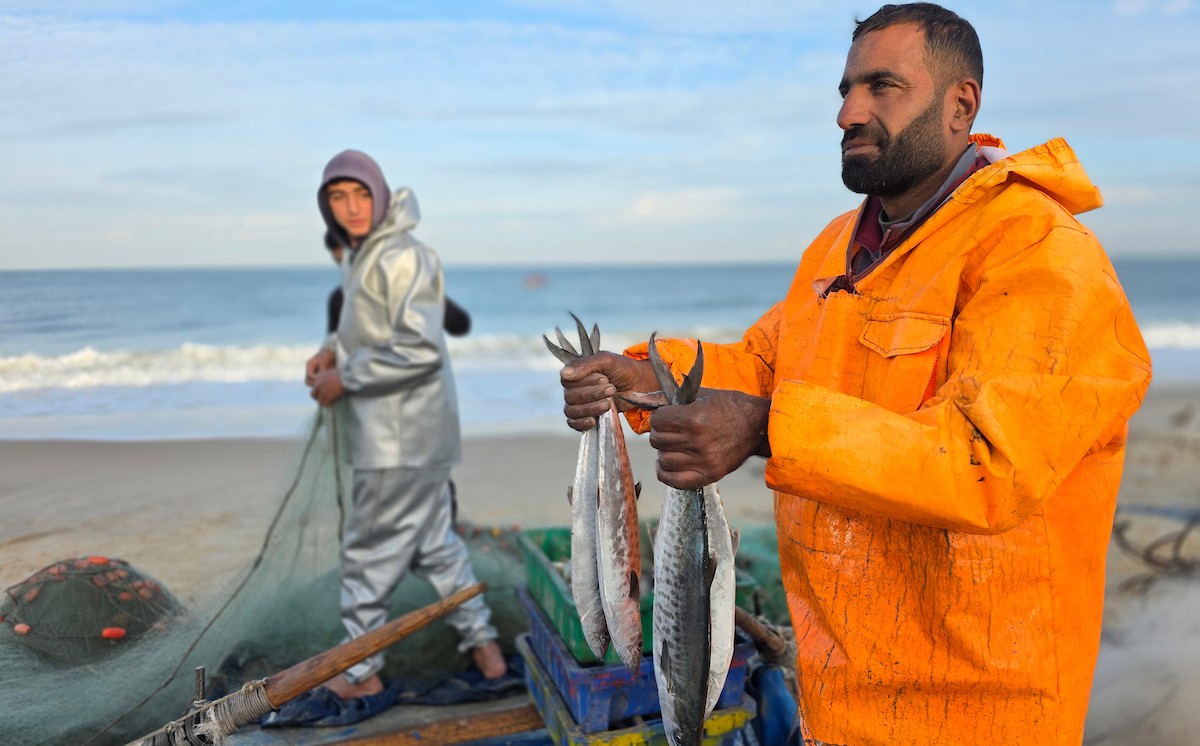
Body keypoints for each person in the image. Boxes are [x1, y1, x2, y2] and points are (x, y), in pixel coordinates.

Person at [557, 4, 1152, 744]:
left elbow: (987, 462)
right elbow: (765, 365)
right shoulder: (838, 247)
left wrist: (764, 427)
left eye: (882, 86)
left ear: (961, 104)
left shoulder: (1040, 254)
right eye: (844, 89)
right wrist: (639, 377)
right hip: (838, 693)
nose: (848, 112)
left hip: (976, 711)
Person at [306, 149, 506, 704]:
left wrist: (346, 380)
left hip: (398, 438)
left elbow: (418, 348)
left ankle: (362, 671)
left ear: (382, 194)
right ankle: (487, 655)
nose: (350, 208)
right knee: (437, 549)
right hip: (412, 435)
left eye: (360, 194)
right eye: (337, 198)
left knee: (366, 553)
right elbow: (362, 329)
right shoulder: (364, 255)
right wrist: (328, 353)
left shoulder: (404, 256)